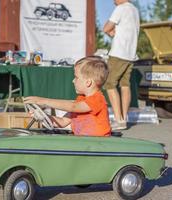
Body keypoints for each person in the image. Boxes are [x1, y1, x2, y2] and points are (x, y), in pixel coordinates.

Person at [23, 56, 111, 137]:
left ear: (88, 82)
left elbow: (73, 106)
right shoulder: (80, 100)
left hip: (99, 145)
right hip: (84, 144)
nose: (73, 81)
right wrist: (43, 117)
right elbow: (62, 122)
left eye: (76, 77)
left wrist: (43, 101)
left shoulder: (97, 99)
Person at [103, 0, 140, 130]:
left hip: (119, 53)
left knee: (109, 83)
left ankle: (119, 120)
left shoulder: (121, 8)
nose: (113, 1)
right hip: (131, 54)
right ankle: (123, 119)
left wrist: (109, 32)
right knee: (125, 85)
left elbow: (106, 27)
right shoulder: (134, 10)